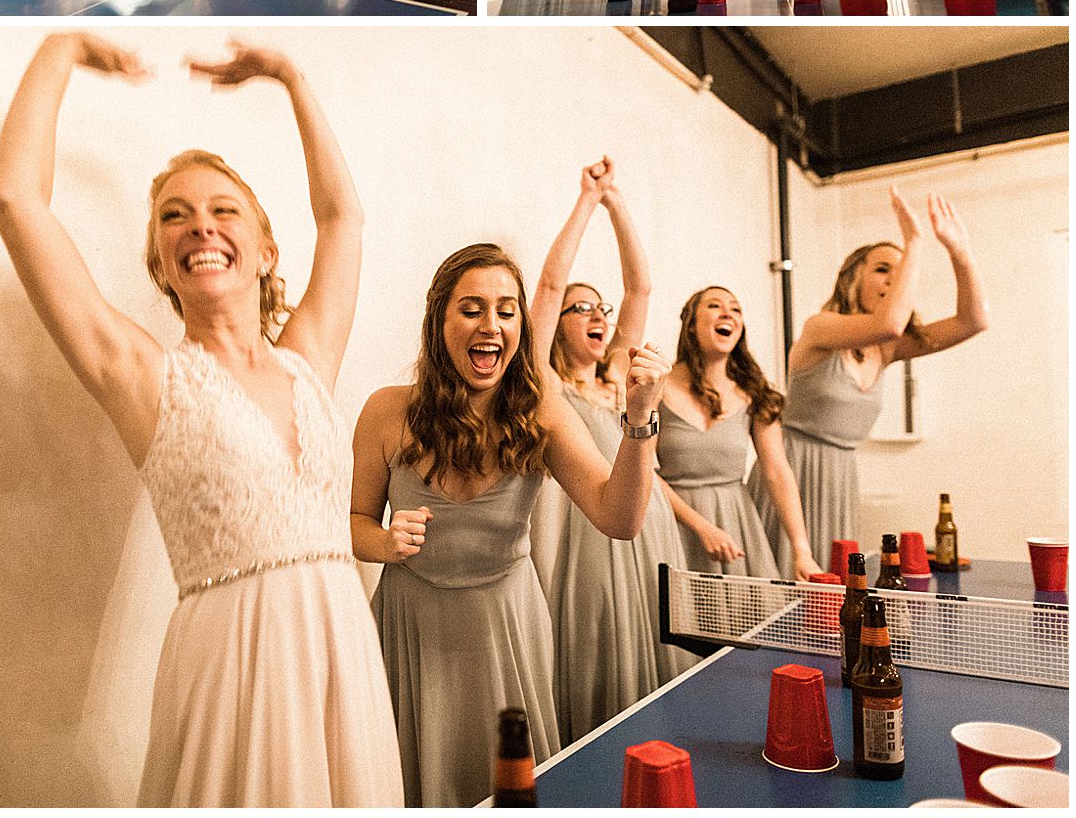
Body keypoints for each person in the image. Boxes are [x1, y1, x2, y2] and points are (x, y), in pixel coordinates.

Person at [0, 33, 404, 806]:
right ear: (160, 264)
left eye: (223, 210)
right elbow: (12, 196)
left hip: (340, 646)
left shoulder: (308, 356)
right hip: (228, 665)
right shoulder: (143, 376)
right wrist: (61, 47)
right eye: (175, 217)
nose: (201, 227)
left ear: (267, 250)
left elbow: (343, 218)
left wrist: (290, 74)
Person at [350, 242, 669, 806]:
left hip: (507, 627)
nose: (490, 325)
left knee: (514, 786)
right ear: (438, 320)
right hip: (411, 626)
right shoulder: (385, 411)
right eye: (471, 309)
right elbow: (353, 522)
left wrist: (640, 418)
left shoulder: (540, 410)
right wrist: (384, 540)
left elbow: (619, 517)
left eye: (505, 309)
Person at [528, 160, 691, 744]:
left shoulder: (619, 373)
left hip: (645, 523)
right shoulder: (543, 383)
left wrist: (616, 203)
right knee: (600, 652)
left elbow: (639, 287)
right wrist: (585, 201)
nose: (599, 315)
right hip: (585, 538)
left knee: (652, 639)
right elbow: (547, 287)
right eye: (582, 309)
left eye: (602, 308)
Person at [748, 188, 989, 572]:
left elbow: (973, 321)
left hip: (841, 480)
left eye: (901, 271)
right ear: (851, 278)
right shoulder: (820, 328)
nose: (894, 279)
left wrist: (960, 252)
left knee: (838, 596)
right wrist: (913, 243)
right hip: (789, 475)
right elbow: (890, 323)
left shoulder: (886, 350)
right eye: (882, 269)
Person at [656, 288, 819, 580]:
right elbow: (643, 470)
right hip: (670, 523)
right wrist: (702, 527)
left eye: (736, 309)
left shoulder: (754, 393)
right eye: (714, 305)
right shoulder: (658, 386)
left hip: (737, 526)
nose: (727, 313)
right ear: (691, 324)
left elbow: (777, 471)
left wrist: (801, 550)